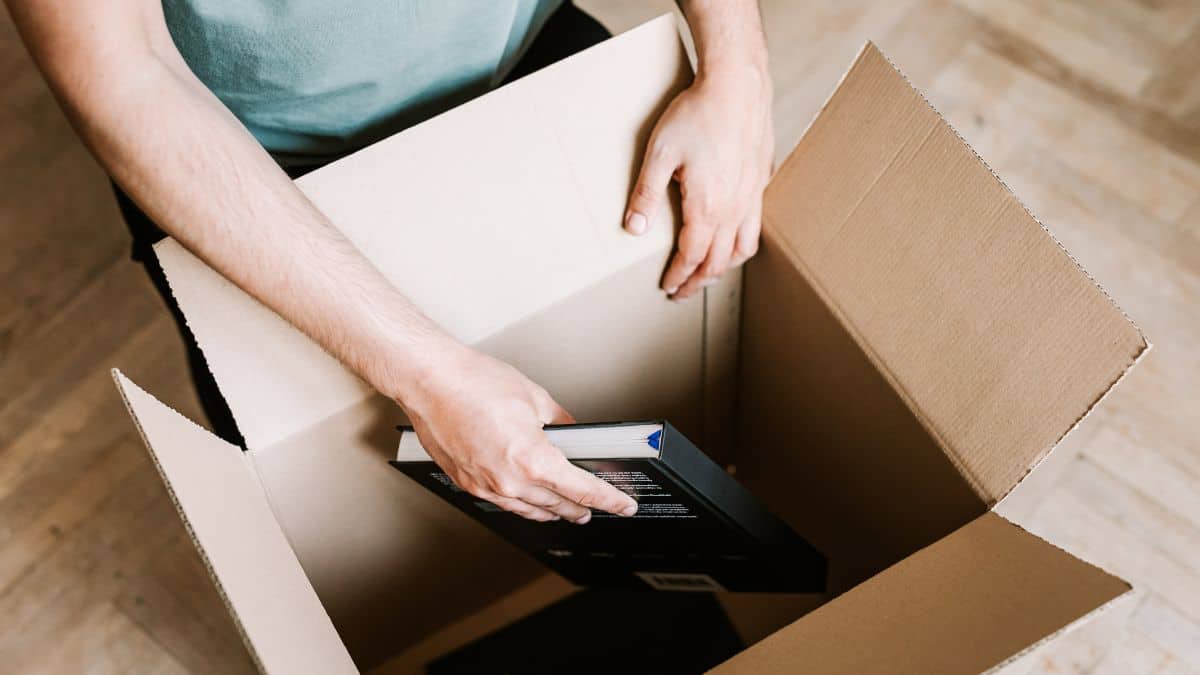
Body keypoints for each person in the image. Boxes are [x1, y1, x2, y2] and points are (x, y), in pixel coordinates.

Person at [6, 0, 773, 525]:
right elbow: (126, 69)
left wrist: (737, 64)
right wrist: (427, 373)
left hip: (525, 50)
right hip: (252, 167)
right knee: (316, 491)